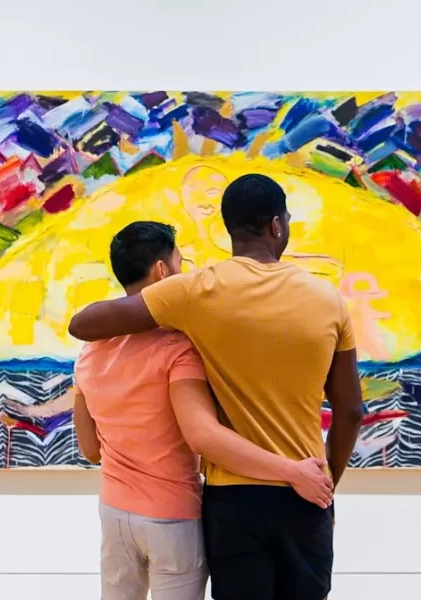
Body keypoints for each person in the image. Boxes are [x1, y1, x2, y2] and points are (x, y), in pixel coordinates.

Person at [69, 174, 365, 600]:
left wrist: (162, 303)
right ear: (278, 225)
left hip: (232, 501)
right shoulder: (328, 299)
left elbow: (84, 324)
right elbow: (351, 409)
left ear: (229, 227)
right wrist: (325, 486)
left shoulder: (193, 291)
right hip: (304, 489)